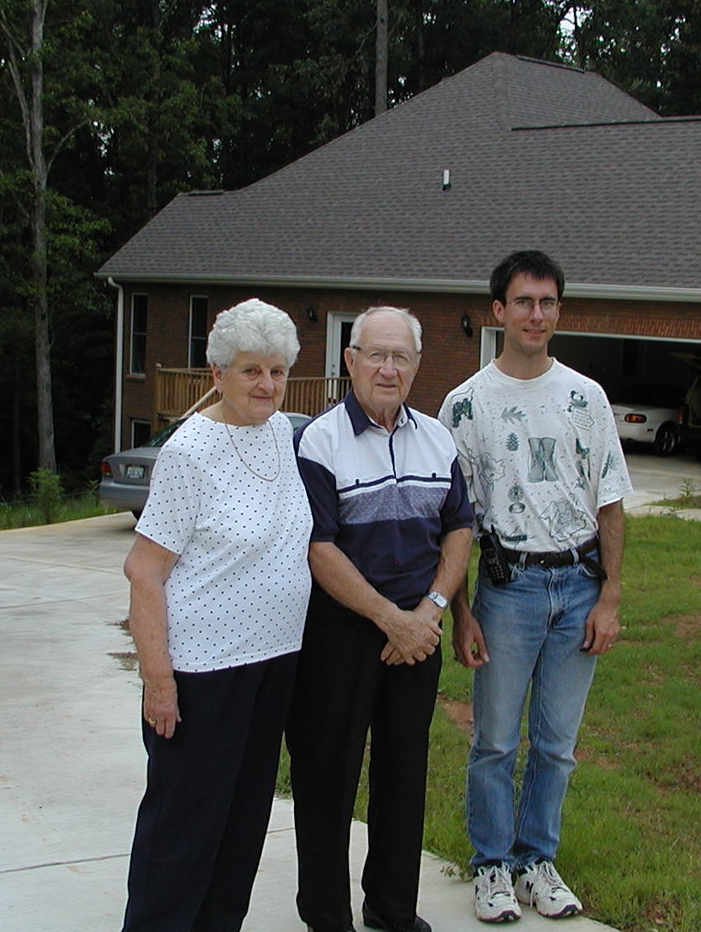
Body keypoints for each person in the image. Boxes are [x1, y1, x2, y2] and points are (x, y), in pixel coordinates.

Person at [439, 252, 632, 924]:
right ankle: (491, 866)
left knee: (556, 743)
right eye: (522, 302)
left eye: (547, 302)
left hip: (577, 586)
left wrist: (608, 597)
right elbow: (455, 522)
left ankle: (535, 862)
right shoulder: (465, 405)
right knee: (494, 739)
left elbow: (608, 500)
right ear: (498, 311)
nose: (535, 315)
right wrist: (460, 612)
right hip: (507, 588)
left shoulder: (586, 398)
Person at [119, 298, 313, 932]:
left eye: (278, 370)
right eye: (251, 370)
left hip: (273, 666)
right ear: (217, 375)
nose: (266, 384)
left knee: (242, 824)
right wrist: (159, 681)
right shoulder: (191, 451)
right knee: (184, 827)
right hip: (203, 674)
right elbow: (143, 570)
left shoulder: (286, 436)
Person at [289, 306, 474, 932]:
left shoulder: (437, 439)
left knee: (403, 775)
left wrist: (430, 612)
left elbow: (458, 528)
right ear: (350, 360)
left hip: (418, 635)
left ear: (418, 365)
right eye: (376, 354)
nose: (388, 368)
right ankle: (325, 915)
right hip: (341, 634)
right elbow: (319, 547)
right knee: (327, 777)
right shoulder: (319, 440)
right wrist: (388, 618)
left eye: (401, 357)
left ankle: (392, 908)